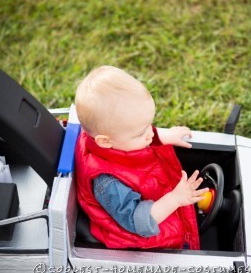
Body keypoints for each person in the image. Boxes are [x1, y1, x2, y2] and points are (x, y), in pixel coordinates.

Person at [74, 65, 208, 250]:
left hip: (157, 201)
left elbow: (135, 133)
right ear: (105, 141)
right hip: (147, 240)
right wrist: (175, 199)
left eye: (149, 125)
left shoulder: (114, 139)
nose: (150, 134)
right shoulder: (107, 183)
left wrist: (164, 136)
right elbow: (139, 221)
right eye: (140, 134)